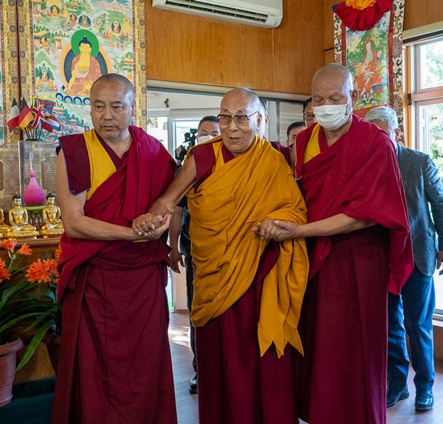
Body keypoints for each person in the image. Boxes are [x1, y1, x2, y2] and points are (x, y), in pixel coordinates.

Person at [134, 87, 309, 423]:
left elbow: (296, 209)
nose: (232, 127)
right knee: (220, 361)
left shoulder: (274, 159)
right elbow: (169, 199)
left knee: (262, 361)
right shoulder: (202, 158)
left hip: (260, 273)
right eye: (226, 117)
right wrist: (151, 219)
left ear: (260, 120)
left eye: (242, 118)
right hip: (216, 276)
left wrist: (279, 222)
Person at [267, 63, 412, 423]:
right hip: (311, 261)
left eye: (335, 98)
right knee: (317, 347)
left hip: (357, 261)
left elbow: (367, 214)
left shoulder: (375, 143)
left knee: (353, 350)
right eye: (318, 99)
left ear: (354, 98)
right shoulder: (302, 142)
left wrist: (299, 232)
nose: (326, 106)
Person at [51, 74, 177, 424]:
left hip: (142, 283)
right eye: (98, 106)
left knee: (146, 365)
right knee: (97, 370)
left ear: (132, 107)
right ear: (89, 108)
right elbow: (74, 222)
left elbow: (170, 204)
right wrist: (130, 234)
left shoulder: (152, 150)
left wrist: (160, 226)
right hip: (97, 279)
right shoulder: (74, 151)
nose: (107, 115)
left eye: (117, 106)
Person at [364, 106, 443, 412]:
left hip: (418, 255)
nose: (376, 139)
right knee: (390, 326)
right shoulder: (365, 164)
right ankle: (397, 385)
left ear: (395, 133)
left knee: (419, 326)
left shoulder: (419, 161)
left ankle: (425, 388)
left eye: (381, 133)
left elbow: (440, 204)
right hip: (381, 257)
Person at [167, 115, 220, 395]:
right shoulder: (190, 166)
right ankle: (201, 369)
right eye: (203, 132)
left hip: (230, 251)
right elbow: (176, 209)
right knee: (197, 310)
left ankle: (226, 366)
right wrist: (173, 246)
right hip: (197, 250)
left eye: (214, 132)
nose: (208, 136)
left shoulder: (235, 162)